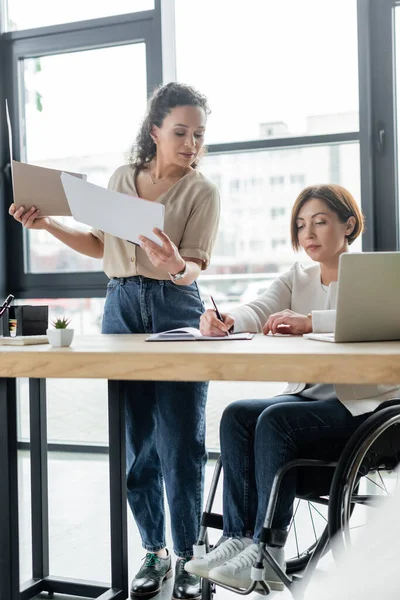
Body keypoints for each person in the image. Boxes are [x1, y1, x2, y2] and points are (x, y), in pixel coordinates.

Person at [9, 82, 220, 600]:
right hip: (120, 307)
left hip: (175, 308)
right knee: (136, 443)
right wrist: (50, 224)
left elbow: (194, 267)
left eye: (198, 135)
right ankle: (154, 551)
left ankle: (191, 557)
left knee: (180, 441)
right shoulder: (122, 179)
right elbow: (98, 244)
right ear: (155, 131)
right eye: (180, 132)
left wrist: (175, 265)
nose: (191, 143)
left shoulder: (202, 192)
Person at [185, 184, 400, 591]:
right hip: (309, 397)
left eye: (320, 222)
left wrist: (309, 321)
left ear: (348, 225)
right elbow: (259, 308)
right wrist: (228, 319)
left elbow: (384, 322)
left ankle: (269, 548)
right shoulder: (296, 277)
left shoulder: (376, 273)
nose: (309, 234)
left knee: (275, 421)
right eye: (301, 225)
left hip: (365, 405)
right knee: (238, 415)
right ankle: (237, 541)